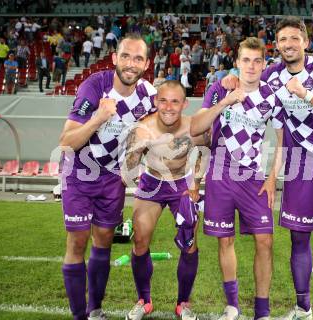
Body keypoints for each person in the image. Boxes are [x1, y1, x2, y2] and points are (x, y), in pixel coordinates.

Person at [221, 16, 313, 320]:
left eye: (295, 38)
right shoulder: (273, 75)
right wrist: (229, 77)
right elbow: (247, 76)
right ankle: (303, 308)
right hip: (296, 165)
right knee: (298, 238)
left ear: (306, 42)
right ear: (277, 45)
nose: (289, 45)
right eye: (282, 40)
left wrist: (305, 93)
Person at [58, 34, 156, 320]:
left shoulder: (148, 95)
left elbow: (156, 129)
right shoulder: (94, 86)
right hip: (79, 171)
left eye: (138, 58)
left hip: (112, 177)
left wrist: (133, 162)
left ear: (146, 63)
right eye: (125, 56)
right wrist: (99, 118)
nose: (130, 63)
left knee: (103, 241)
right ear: (114, 58)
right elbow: (66, 141)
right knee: (77, 242)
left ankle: (94, 311)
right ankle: (79, 315)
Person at [191, 37, 284, 320]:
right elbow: (196, 128)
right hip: (220, 173)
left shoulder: (271, 96)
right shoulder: (220, 88)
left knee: (265, 241)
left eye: (257, 61)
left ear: (264, 64)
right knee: (225, 241)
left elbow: (282, 142)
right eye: (246, 60)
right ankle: (232, 306)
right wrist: (226, 100)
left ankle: (262, 311)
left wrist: (271, 179)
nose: (252, 66)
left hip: (254, 178)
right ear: (237, 62)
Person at [122, 80, 210, 320]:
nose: (168, 107)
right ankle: (144, 300)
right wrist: (134, 156)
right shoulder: (143, 129)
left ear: (184, 103)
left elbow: (206, 151)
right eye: (163, 100)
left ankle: (183, 303)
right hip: (151, 183)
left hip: (182, 184)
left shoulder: (194, 127)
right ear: (155, 102)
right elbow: (127, 169)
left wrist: (196, 183)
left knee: (189, 243)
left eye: (175, 101)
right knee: (140, 240)